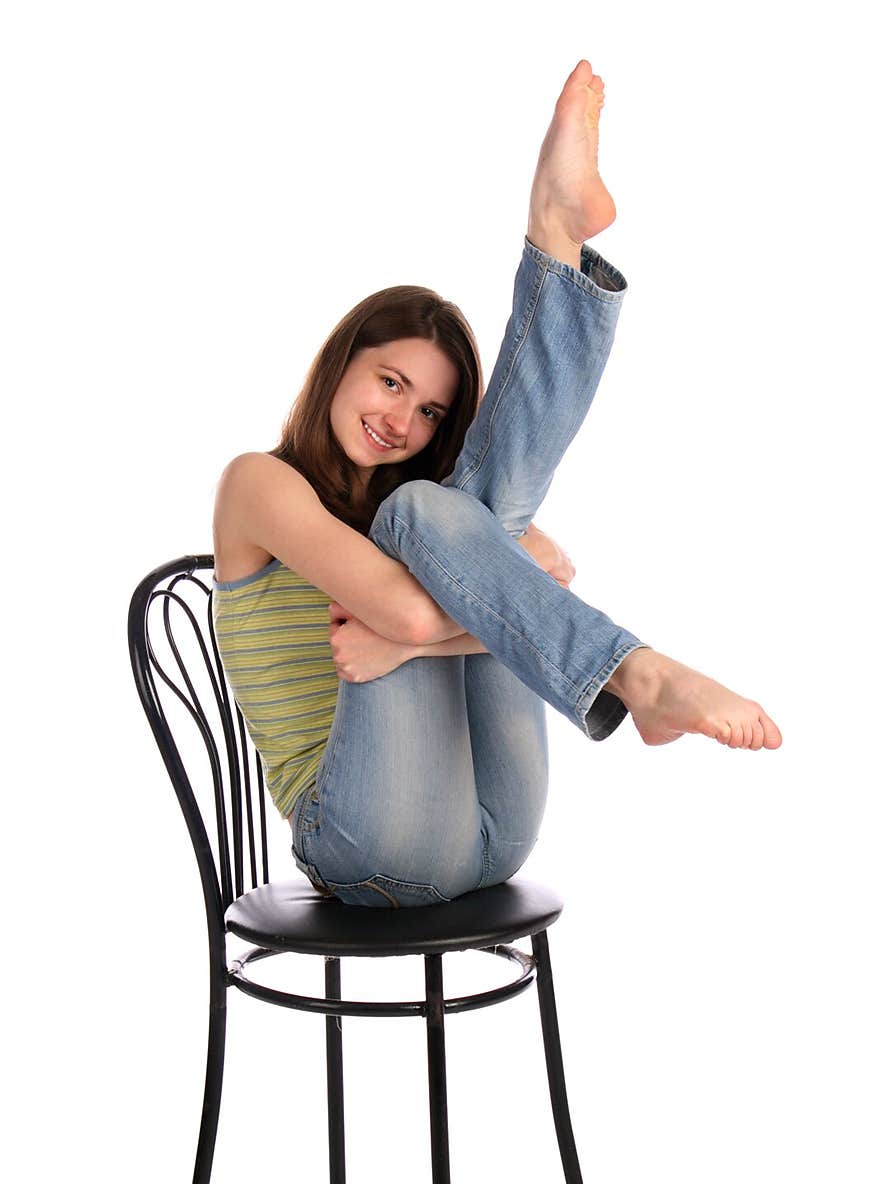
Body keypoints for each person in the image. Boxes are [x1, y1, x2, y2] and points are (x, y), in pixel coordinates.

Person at [212, 59, 782, 909]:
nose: (403, 422)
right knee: (436, 519)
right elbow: (433, 606)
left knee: (444, 513)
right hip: (363, 842)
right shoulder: (257, 485)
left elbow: (528, 588)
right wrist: (418, 630)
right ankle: (636, 674)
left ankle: (556, 230)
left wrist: (407, 642)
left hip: (496, 830)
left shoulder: (440, 523)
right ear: (341, 365)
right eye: (392, 382)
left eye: (435, 413)